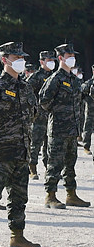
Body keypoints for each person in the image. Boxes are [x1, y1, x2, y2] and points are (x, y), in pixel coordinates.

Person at [0, 42, 40, 247]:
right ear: (5, 60)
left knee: (19, 197)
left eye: (22, 57)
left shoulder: (26, 87)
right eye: (16, 57)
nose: (20, 61)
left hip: (21, 152)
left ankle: (17, 236)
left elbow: (33, 114)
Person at [39, 43, 89, 208]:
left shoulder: (74, 80)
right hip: (58, 130)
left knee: (70, 163)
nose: (72, 59)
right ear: (60, 58)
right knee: (54, 163)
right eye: (69, 56)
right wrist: (58, 113)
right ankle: (50, 195)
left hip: (72, 130)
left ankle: (71, 195)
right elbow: (44, 101)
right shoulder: (55, 79)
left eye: (73, 56)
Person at [26, 50, 56, 179]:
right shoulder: (35, 77)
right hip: (38, 117)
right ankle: (32, 168)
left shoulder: (55, 76)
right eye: (49, 60)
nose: (51, 63)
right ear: (41, 62)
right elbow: (28, 95)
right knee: (35, 143)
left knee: (49, 144)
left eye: (52, 60)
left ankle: (48, 168)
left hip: (50, 116)